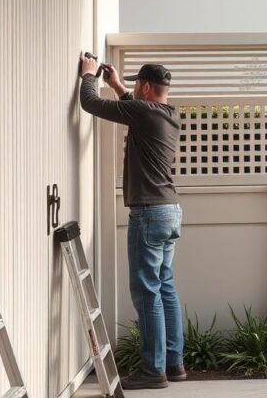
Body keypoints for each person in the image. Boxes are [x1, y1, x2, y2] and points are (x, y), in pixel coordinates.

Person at [78, 53, 184, 390]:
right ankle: (173, 363)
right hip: (169, 210)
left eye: (137, 84)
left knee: (147, 292)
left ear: (147, 87)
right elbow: (135, 106)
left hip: (149, 213)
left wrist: (89, 75)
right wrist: (119, 86)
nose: (134, 89)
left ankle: (153, 371)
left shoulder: (143, 111)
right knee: (164, 286)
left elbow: (90, 104)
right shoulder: (169, 114)